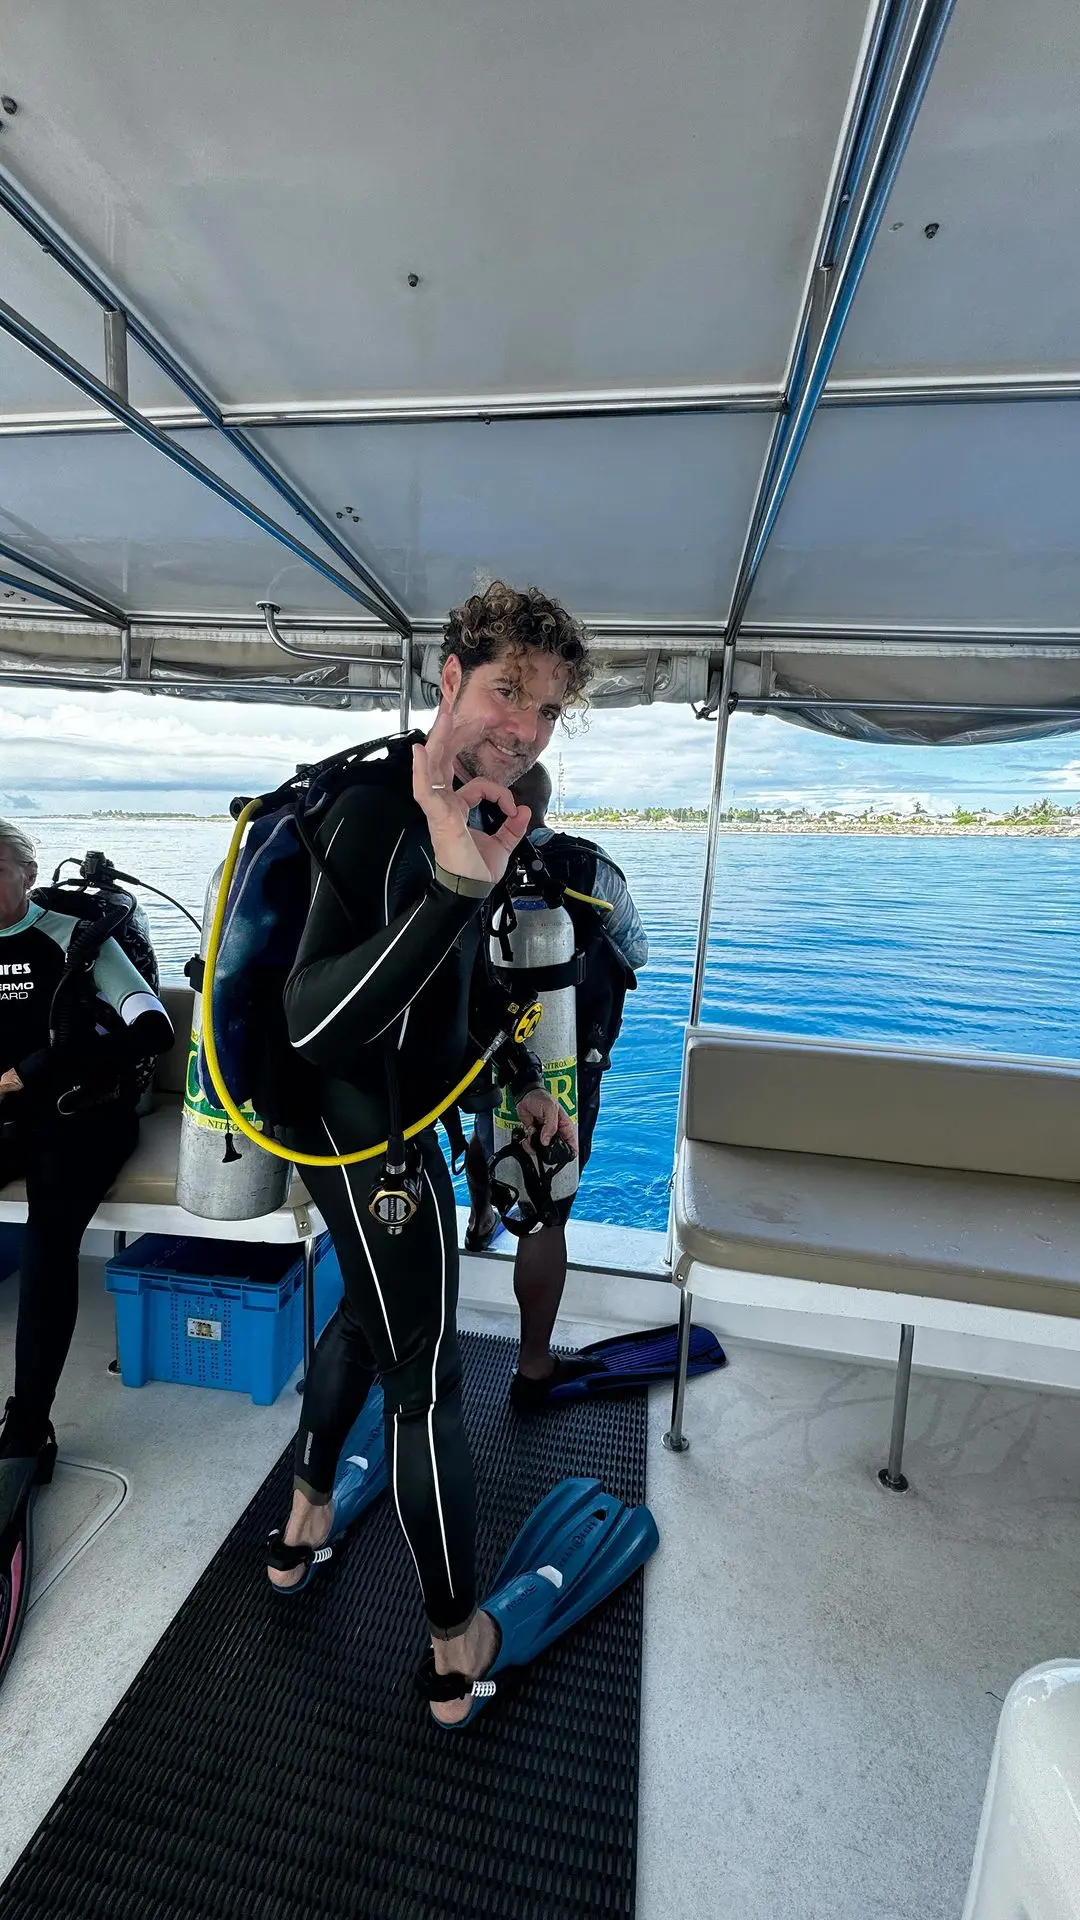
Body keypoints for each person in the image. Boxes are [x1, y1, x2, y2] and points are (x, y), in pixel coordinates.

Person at [265, 582, 588, 1727]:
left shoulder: (481, 809)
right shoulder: (373, 818)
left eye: (547, 710)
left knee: (370, 1318)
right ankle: (457, 1647)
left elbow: (458, 996)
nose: (525, 725)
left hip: (400, 1127)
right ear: (449, 680)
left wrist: (516, 1090)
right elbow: (312, 1023)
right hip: (364, 1144)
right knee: (430, 1379)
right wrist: (453, 884)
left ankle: (302, 1526)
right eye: (509, 691)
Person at [463, 760, 648, 1409]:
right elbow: (638, 949)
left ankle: (483, 1216)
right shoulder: (592, 868)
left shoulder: (460, 862)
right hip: (563, 1060)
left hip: (480, 1052)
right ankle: (534, 1367)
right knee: (548, 1212)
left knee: (489, 1121)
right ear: (544, 802)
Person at [0, 820, 173, 1482]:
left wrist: (33, 1071)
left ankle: (28, 1423)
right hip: (8, 1124)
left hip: (83, 1118)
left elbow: (153, 1028)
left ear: (26, 872)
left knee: (49, 1240)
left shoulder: (77, 938)